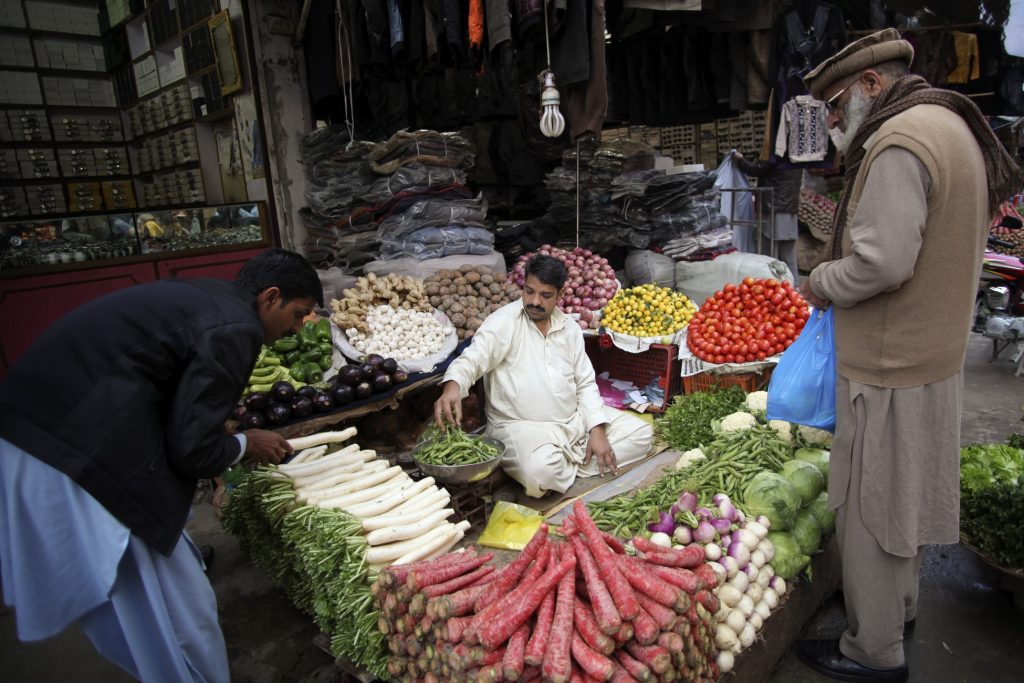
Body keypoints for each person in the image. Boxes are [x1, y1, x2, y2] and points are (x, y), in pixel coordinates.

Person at [795, 29, 1023, 682]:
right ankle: (897, 607)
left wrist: (819, 282)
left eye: (836, 106)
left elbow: (882, 263)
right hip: (934, 352)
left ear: (872, 84)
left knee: (870, 510)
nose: (834, 122)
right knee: (901, 501)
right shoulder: (947, 123)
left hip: (891, 362)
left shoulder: (898, 142)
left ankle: (874, 649)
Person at [0, 248, 323, 682]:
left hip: (35, 429)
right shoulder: (237, 329)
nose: (299, 328)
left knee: (140, 588)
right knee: (175, 610)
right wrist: (245, 443)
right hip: (74, 452)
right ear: (270, 298)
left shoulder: (212, 296)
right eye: (298, 314)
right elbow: (191, 452)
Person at [434, 255, 653, 497]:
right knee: (541, 471)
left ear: (560, 295)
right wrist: (453, 385)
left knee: (642, 434)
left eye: (545, 295)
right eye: (529, 291)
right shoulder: (503, 322)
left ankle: (568, 465)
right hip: (521, 429)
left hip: (573, 423)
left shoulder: (569, 328)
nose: (534, 301)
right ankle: (572, 465)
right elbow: (473, 358)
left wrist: (597, 430)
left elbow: (585, 382)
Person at [733, 151, 802, 277]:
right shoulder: (796, 153)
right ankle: (794, 285)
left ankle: (773, 284)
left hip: (774, 208)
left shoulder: (776, 153)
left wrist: (740, 160)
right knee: (788, 253)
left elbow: (755, 170)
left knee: (770, 252)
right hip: (789, 207)